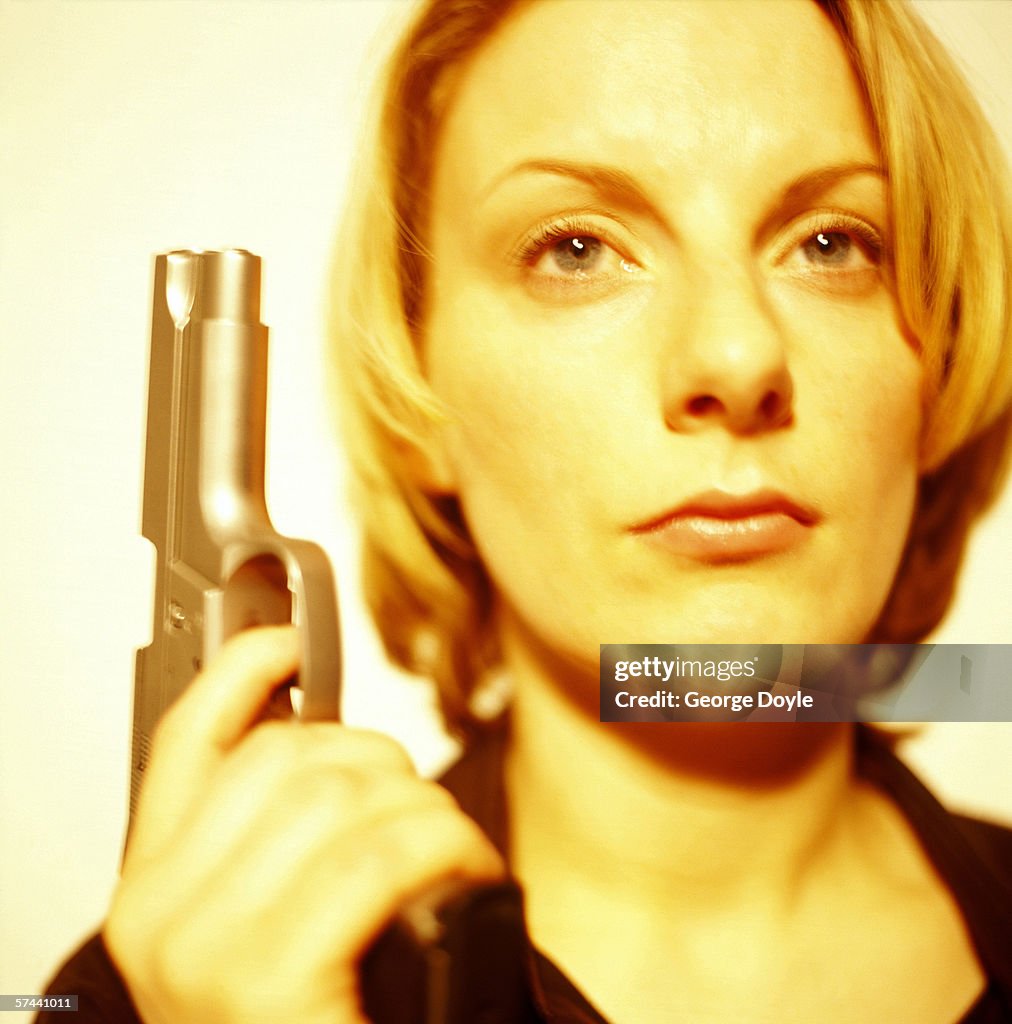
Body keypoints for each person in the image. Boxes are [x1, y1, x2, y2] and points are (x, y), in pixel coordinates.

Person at [40, 0, 1012, 1021]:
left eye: (830, 243)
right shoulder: (173, 989)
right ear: (418, 388)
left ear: (935, 360)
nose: (736, 358)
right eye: (576, 250)